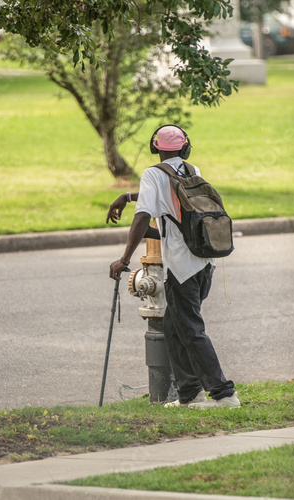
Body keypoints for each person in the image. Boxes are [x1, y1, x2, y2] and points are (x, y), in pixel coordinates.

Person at [107, 124, 240, 409]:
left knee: (190, 328)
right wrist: (129, 197)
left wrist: (125, 259)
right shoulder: (194, 172)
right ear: (185, 147)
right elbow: (170, 220)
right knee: (173, 325)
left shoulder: (153, 174)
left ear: (156, 148)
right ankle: (189, 394)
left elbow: (144, 216)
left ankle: (224, 395)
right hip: (206, 263)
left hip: (181, 268)